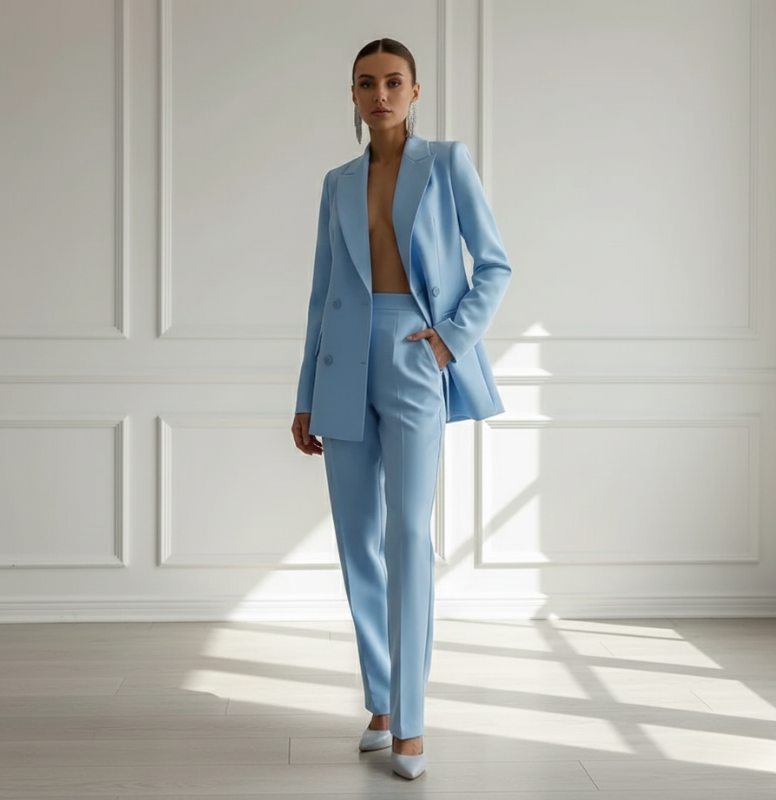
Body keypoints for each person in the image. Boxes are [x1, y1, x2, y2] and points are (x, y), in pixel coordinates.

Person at [291, 37, 512, 780]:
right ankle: (380, 702)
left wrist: (449, 341)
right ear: (351, 96)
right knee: (358, 541)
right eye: (365, 83)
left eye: (392, 82)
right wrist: (302, 397)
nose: (379, 94)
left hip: (415, 355)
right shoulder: (336, 182)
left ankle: (411, 722)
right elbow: (322, 295)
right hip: (341, 366)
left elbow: (495, 264)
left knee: (409, 533)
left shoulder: (446, 164)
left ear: (415, 91)